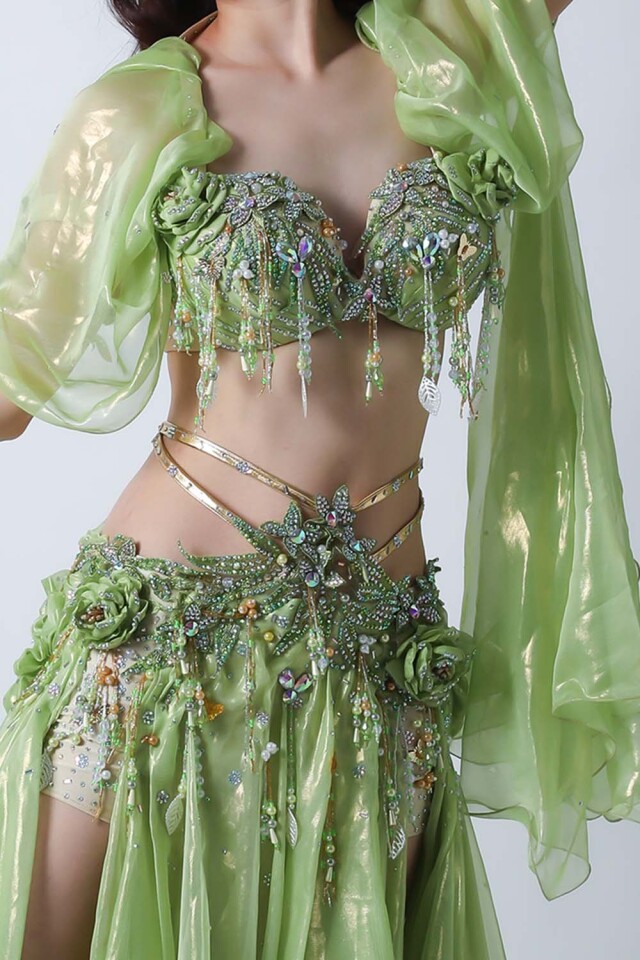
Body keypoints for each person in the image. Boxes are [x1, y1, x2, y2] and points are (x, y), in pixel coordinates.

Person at [1, 0, 639, 958]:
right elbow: (10, 387)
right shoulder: (141, 111)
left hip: (375, 671)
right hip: (168, 657)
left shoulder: (448, 57)